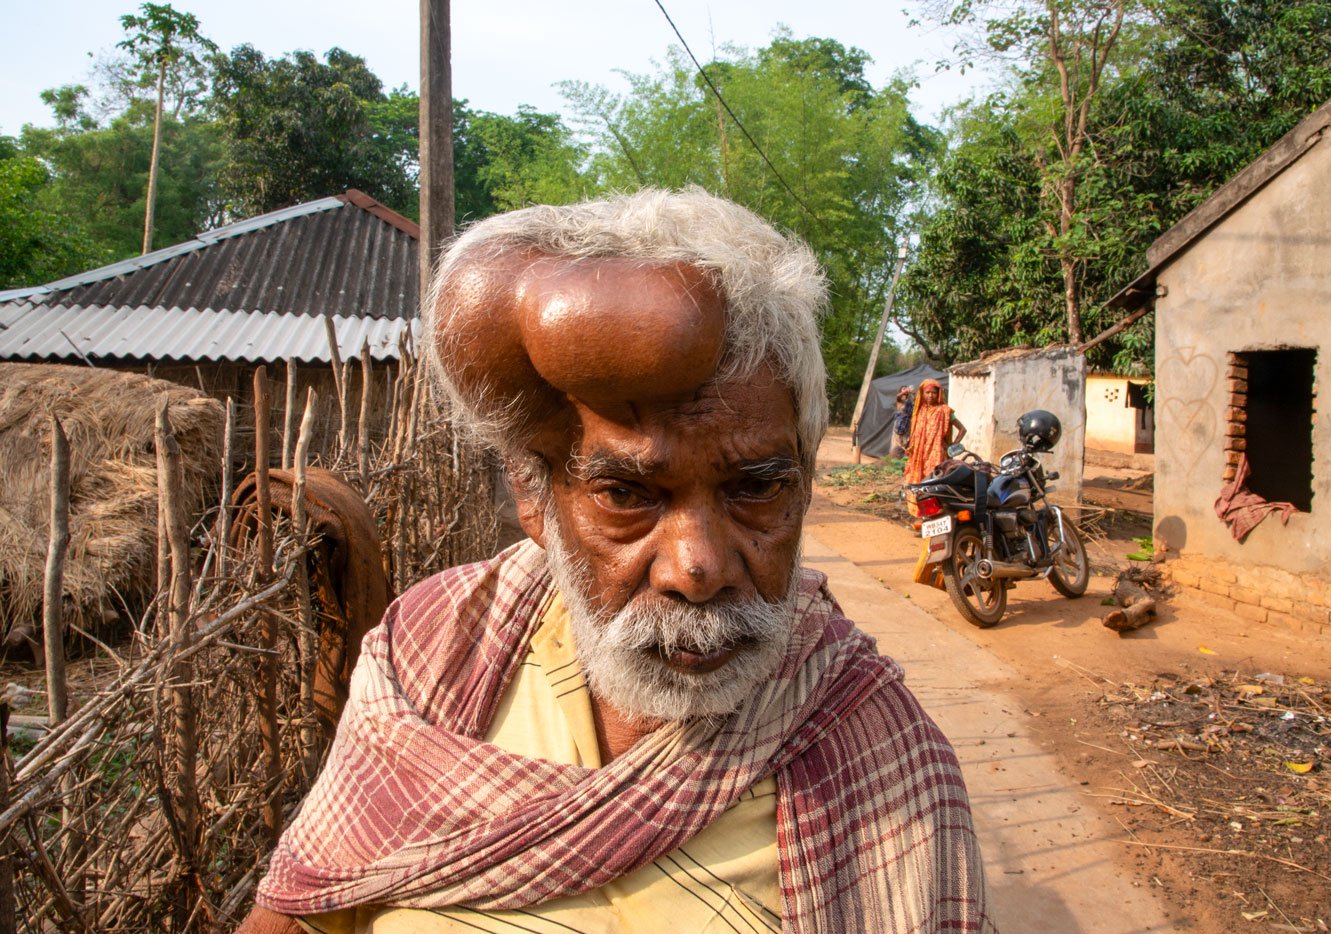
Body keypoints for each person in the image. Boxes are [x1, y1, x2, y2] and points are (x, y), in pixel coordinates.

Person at [239, 190, 994, 934]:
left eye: (756, 488)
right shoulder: (437, 649)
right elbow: (304, 907)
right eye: (627, 494)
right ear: (535, 495)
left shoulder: (878, 756)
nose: (696, 568)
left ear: (803, 486)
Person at [903, 379, 967, 485]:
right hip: (920, 453)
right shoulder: (919, 411)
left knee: (935, 479)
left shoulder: (945, 411)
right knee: (918, 482)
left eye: (934, 392)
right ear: (922, 394)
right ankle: (919, 500)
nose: (930, 395)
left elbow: (962, 430)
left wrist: (952, 447)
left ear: (939, 394)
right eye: (927, 392)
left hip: (937, 453)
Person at [891, 384, 915, 456]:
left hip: (907, 423)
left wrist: (912, 394)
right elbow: (898, 396)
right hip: (900, 423)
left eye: (906, 388)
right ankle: (894, 457)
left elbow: (915, 403)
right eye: (903, 389)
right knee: (897, 442)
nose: (905, 389)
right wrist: (905, 391)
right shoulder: (900, 400)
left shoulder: (909, 401)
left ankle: (903, 458)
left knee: (905, 442)